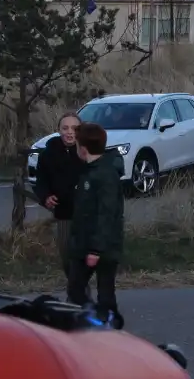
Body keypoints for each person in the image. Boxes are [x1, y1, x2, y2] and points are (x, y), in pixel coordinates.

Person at [66, 123, 125, 324]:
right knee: (75, 289)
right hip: (84, 243)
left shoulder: (105, 175)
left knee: (103, 293)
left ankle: (109, 323)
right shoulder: (88, 171)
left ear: (83, 148)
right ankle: (95, 320)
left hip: (101, 247)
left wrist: (96, 250)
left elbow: (106, 214)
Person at [32, 113, 85, 277]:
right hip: (64, 214)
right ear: (59, 130)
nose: (70, 132)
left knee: (85, 257)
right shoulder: (48, 155)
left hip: (87, 214)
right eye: (65, 128)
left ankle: (83, 293)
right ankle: (76, 292)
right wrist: (46, 196)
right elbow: (41, 181)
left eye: (74, 128)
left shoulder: (87, 151)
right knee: (67, 257)